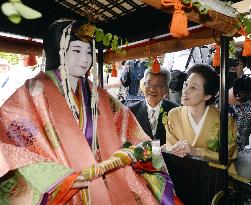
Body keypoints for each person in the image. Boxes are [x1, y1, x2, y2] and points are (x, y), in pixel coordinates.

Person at [0, 19, 182, 205]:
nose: (85, 58)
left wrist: (140, 149)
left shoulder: (99, 95)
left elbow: (128, 129)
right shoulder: (35, 91)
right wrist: (57, 177)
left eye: (89, 51)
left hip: (108, 178)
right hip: (66, 184)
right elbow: (12, 139)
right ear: (58, 51)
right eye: (77, 50)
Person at [165, 64, 237, 172]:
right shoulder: (173, 115)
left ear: (207, 95)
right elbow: (170, 146)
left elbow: (228, 156)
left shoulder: (226, 121)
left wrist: (197, 152)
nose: (185, 90)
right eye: (186, 84)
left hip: (215, 178)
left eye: (193, 87)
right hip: (181, 175)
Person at [129, 67, 177, 146]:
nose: (152, 89)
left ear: (166, 89)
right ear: (143, 85)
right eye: (148, 83)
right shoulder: (131, 111)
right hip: (139, 156)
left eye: (158, 85)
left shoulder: (175, 111)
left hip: (167, 157)